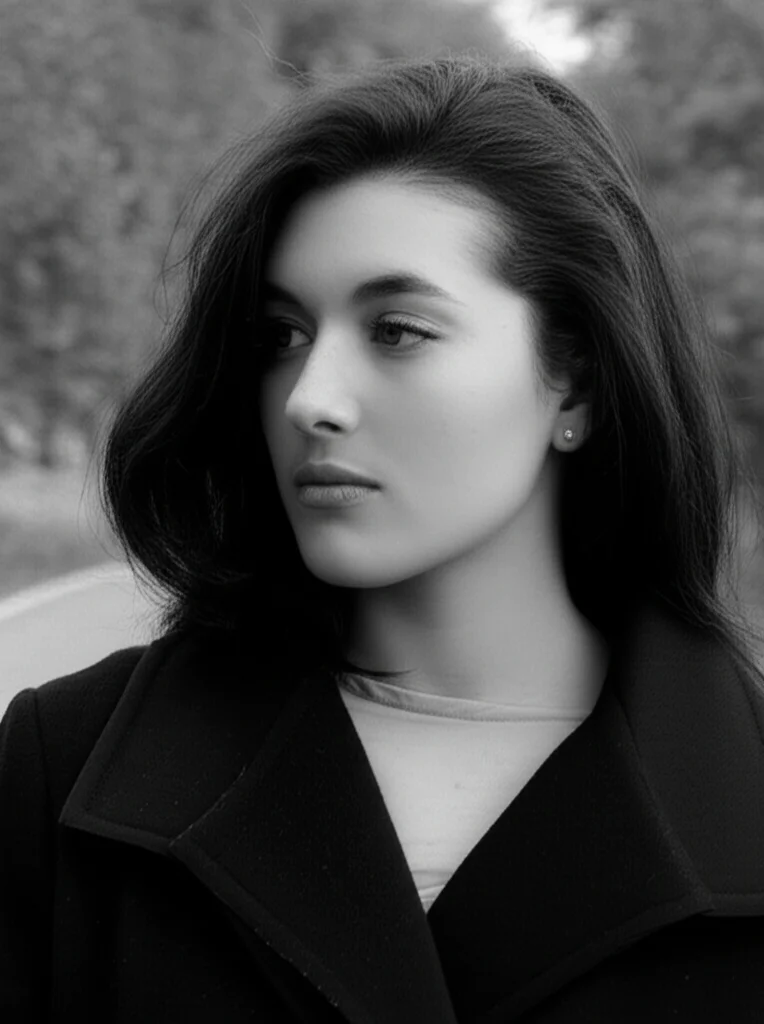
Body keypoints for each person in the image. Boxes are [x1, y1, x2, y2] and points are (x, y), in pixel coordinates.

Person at [2, 53, 763, 1023]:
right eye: (282, 336)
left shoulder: (741, 802)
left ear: (573, 380)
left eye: (397, 330)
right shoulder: (63, 769)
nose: (309, 398)